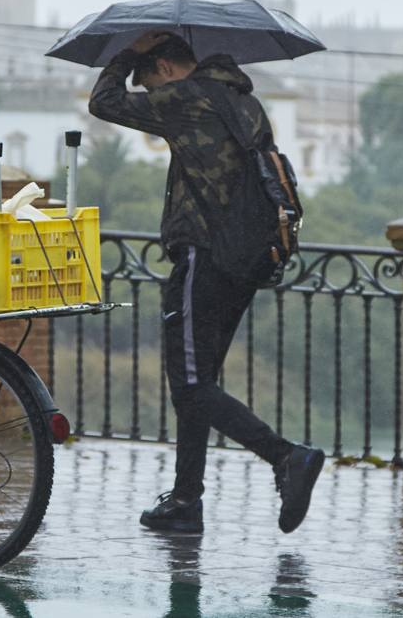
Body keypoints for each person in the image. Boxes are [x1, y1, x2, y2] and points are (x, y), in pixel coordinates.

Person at [88, 31, 325, 535]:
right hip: (245, 258)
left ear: (168, 67)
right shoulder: (243, 99)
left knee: (192, 383)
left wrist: (128, 52)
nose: (146, 88)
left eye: (147, 77)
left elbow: (103, 102)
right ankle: (185, 500)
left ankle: (287, 458)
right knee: (196, 384)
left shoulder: (186, 96)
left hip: (203, 254)